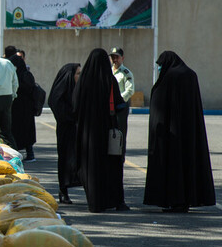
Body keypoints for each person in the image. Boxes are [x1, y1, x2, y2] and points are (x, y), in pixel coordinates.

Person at [144, 51, 216, 213]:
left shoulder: (169, 77)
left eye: (160, 65)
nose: (160, 68)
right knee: (189, 163)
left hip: (172, 133)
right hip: (190, 132)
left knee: (174, 165)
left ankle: (175, 201)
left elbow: (160, 106)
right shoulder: (191, 75)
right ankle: (188, 200)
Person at [73, 48, 130, 212]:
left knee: (91, 165)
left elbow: (75, 105)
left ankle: (95, 202)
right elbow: (119, 103)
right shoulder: (109, 80)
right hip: (107, 129)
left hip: (87, 132)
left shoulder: (83, 81)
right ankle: (115, 201)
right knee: (111, 165)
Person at [48, 63, 82, 204]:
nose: (79, 77)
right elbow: (55, 103)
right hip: (66, 130)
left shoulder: (78, 89)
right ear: (70, 76)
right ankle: (63, 191)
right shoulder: (61, 91)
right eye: (77, 74)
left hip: (77, 129)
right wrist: (70, 116)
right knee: (65, 160)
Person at [8, 54, 37, 162]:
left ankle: (29, 154)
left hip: (23, 108)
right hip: (22, 108)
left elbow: (28, 89)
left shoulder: (24, 75)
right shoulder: (23, 74)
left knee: (23, 131)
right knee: (22, 131)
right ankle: (24, 153)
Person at [109, 47, 135, 159]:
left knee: (120, 132)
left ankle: (120, 155)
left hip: (120, 108)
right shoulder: (108, 71)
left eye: (117, 57)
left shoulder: (126, 73)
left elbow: (130, 90)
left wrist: (118, 100)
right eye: (113, 57)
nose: (115, 59)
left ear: (122, 58)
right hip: (109, 107)